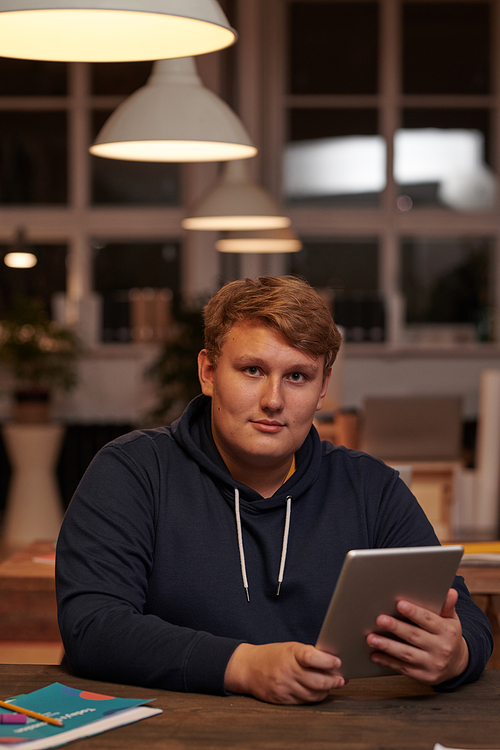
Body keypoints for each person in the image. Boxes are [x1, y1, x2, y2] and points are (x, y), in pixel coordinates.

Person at [56, 276, 493, 705]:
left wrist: (456, 655)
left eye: (298, 377)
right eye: (252, 370)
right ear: (208, 373)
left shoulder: (370, 487)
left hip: (338, 735)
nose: (273, 400)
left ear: (323, 388)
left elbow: (462, 614)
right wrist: (243, 666)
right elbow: (92, 626)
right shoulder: (133, 471)